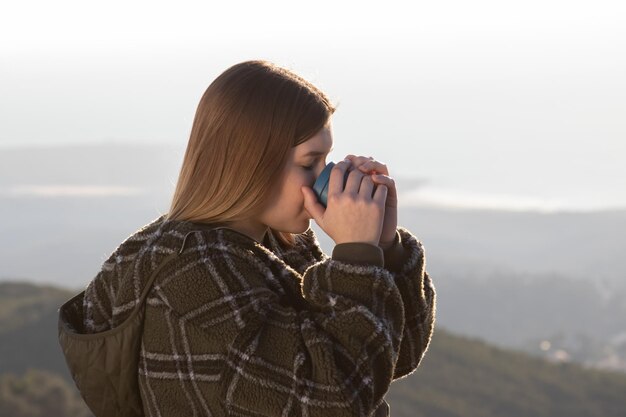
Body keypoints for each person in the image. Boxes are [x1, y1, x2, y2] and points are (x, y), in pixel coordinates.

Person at [60, 60, 436, 417]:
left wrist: (384, 248)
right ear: (251, 162)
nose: (326, 180)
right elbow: (334, 400)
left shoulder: (278, 243)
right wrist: (356, 258)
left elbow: (389, 358)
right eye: (309, 163)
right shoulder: (193, 276)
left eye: (326, 161)